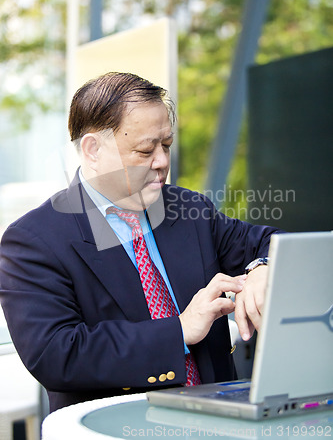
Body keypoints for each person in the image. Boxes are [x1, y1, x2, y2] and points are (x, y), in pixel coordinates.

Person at [0, 72, 280, 413]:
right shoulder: (33, 241)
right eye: (146, 149)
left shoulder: (190, 209)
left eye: (166, 145)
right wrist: (178, 330)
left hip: (224, 424)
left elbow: (271, 243)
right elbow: (58, 355)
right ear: (92, 150)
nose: (162, 162)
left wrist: (263, 268)